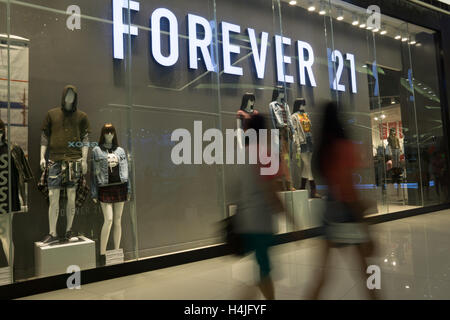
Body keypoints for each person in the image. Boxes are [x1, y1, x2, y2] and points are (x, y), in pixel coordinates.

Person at [307, 102, 377, 300]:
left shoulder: (322, 150)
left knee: (323, 274)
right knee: (368, 272)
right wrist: (364, 223)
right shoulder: (344, 147)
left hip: (329, 211)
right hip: (347, 212)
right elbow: (349, 189)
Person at [233, 113, 293, 300]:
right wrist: (291, 219)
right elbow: (271, 192)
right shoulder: (266, 153)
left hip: (246, 220)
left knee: (260, 270)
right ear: (264, 130)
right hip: (261, 221)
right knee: (264, 270)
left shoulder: (242, 153)